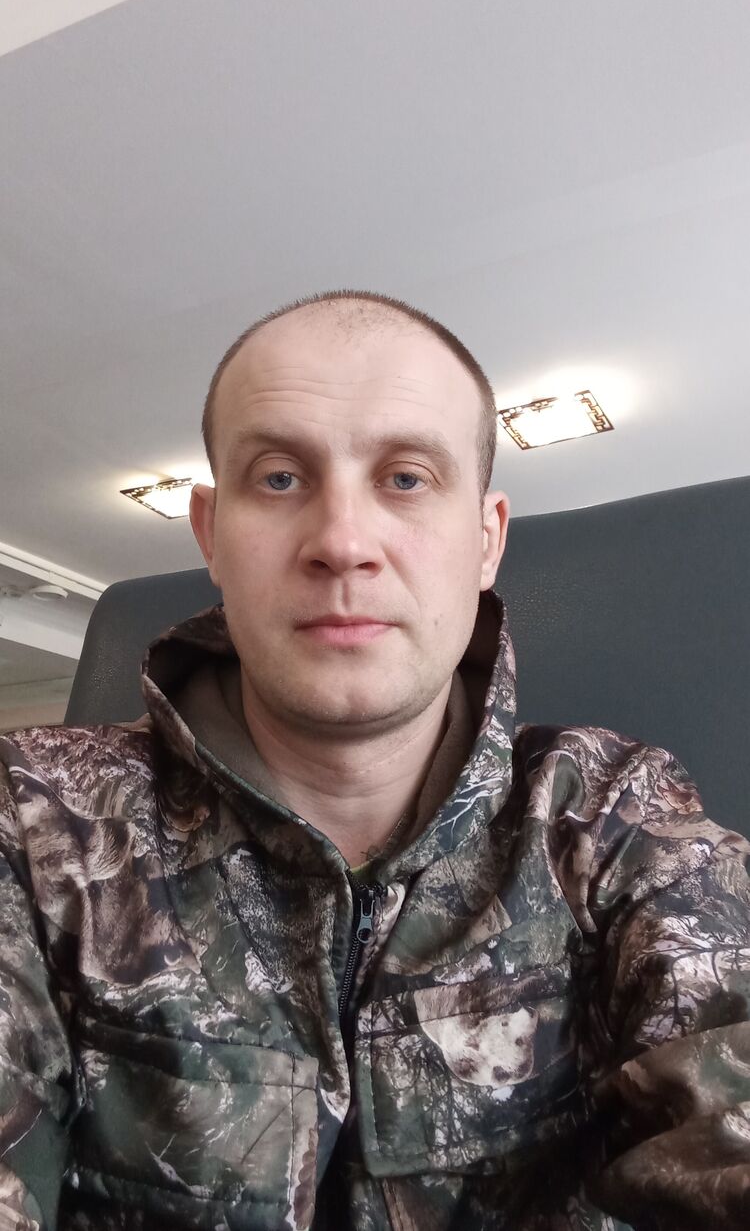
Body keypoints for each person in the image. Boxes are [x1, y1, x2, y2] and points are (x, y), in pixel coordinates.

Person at [0, 290, 749, 1231]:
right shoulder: (30, 819)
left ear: (486, 538)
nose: (342, 543)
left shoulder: (613, 818)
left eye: (405, 478)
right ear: (210, 533)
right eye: (279, 477)